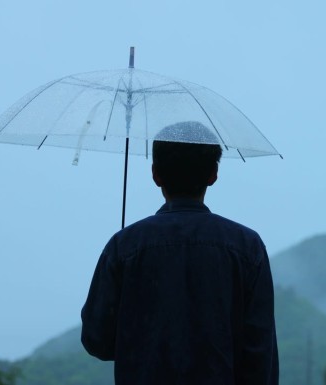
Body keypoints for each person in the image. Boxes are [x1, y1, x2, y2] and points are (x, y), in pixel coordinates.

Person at [81, 121, 279, 384]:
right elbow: (260, 355)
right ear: (213, 174)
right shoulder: (247, 247)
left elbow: (97, 340)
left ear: (155, 174)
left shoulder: (124, 246)